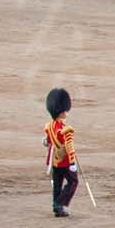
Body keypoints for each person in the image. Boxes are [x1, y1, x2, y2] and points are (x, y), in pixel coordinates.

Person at [45, 87, 79, 217]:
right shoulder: (66, 130)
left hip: (54, 160)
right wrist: (72, 163)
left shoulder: (49, 126)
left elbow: (47, 141)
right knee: (73, 182)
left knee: (57, 185)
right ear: (60, 112)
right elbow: (69, 147)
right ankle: (60, 204)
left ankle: (56, 206)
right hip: (64, 161)